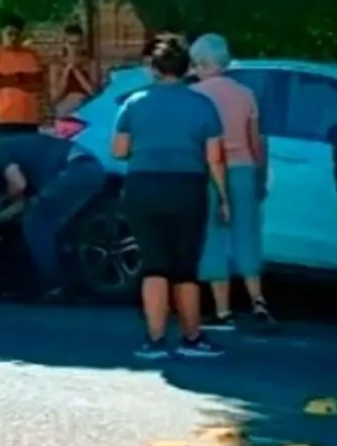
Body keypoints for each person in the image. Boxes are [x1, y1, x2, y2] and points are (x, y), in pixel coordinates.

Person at [112, 37, 227, 359]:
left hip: (142, 187)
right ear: (186, 68)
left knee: (154, 265)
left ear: (153, 68)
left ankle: (155, 339)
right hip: (187, 188)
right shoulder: (202, 105)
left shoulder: (133, 103)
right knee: (185, 267)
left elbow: (118, 151)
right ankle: (192, 337)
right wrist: (223, 196)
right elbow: (215, 158)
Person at [189, 33, 273, 329]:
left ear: (201, 63)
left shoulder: (196, 95)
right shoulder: (245, 93)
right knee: (247, 233)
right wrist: (259, 173)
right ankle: (258, 300)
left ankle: (223, 309)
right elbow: (255, 141)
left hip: (210, 172)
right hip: (244, 168)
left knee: (213, 237)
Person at [0, 126, 108, 297]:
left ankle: (53, 283)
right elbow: (26, 198)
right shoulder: (19, 145)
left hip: (74, 170)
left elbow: (19, 184)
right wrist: (3, 213)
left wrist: (2, 199)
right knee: (55, 225)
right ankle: (70, 279)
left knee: (36, 223)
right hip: (89, 168)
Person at [0, 14, 46, 133]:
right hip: (3, 117)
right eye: (9, 34)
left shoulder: (31, 55)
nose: (13, 38)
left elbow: (38, 84)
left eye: (17, 34)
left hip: (29, 117)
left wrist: (6, 79)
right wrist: (21, 78)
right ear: (1, 33)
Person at [52, 24, 100, 116]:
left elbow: (94, 92)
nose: (75, 47)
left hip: (85, 104)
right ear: (64, 43)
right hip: (65, 106)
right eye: (71, 43)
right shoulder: (57, 65)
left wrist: (76, 70)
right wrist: (66, 70)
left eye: (78, 43)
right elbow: (55, 97)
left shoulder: (90, 63)